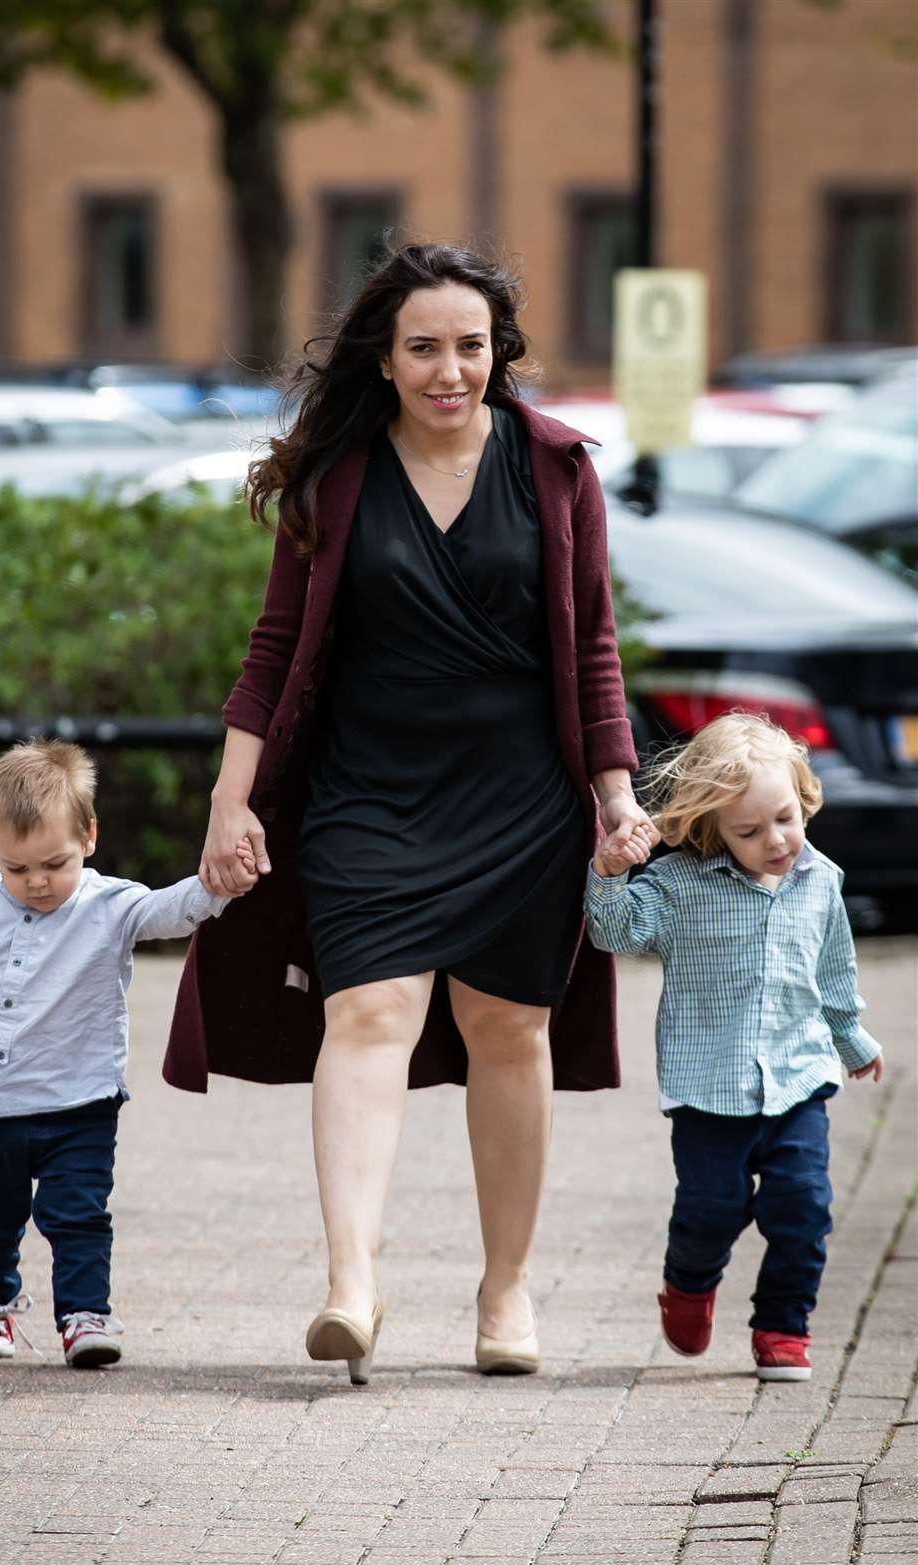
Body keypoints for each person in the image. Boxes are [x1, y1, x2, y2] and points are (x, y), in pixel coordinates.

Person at [164, 240, 656, 1384]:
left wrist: (616, 796)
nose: (450, 369)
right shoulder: (336, 477)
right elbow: (275, 648)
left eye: (470, 347)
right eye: (424, 347)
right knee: (370, 1013)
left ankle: (507, 1291)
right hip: (365, 797)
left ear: (500, 354)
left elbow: (590, 645)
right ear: (383, 360)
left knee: (509, 1029)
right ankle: (352, 1284)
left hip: (520, 802)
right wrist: (229, 802)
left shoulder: (555, 469)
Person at [0, 739, 236, 1367]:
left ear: (89, 836)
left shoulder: (112, 905)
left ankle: (85, 1315)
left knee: (79, 1214)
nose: (36, 882)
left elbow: (174, 910)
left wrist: (218, 883)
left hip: (80, 1101)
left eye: (54, 864)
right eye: (16, 868)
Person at [585, 713, 884, 1381]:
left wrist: (851, 1036)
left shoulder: (821, 882)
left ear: (802, 795)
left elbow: (832, 968)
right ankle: (688, 1285)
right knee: (711, 1209)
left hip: (798, 1081)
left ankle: (783, 1325)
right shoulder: (677, 887)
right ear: (712, 827)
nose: (775, 840)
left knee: (803, 1208)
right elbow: (615, 934)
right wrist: (608, 872)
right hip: (707, 1088)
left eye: (784, 817)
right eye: (749, 832)